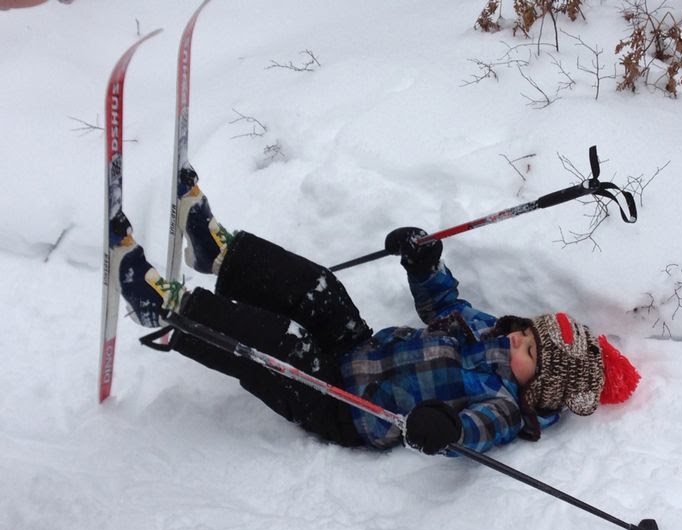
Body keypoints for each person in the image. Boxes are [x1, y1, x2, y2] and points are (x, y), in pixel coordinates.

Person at [111, 166, 640, 455]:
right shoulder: (487, 331)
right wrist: (424, 262)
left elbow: (479, 431)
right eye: (527, 333)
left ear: (542, 386)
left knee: (285, 345)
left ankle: (168, 312)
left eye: (528, 351)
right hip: (358, 349)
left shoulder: (505, 405)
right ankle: (218, 254)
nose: (516, 340)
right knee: (321, 287)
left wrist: (447, 431)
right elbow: (444, 305)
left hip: (344, 404)